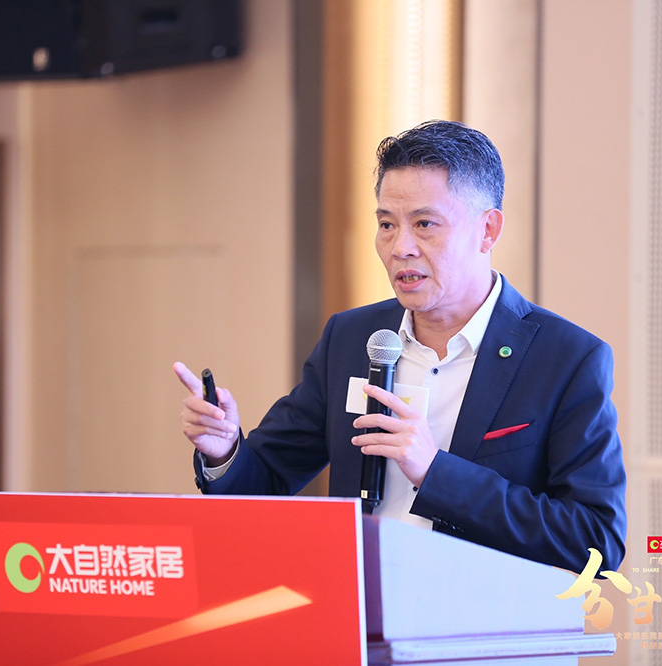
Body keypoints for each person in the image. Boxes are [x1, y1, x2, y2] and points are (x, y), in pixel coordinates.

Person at [174, 120, 626, 573]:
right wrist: (225, 449)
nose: (400, 247)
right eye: (387, 224)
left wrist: (436, 472)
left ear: (487, 230)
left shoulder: (565, 358)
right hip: (363, 610)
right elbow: (265, 483)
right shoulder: (351, 338)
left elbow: (596, 541)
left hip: (482, 615)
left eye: (424, 224)